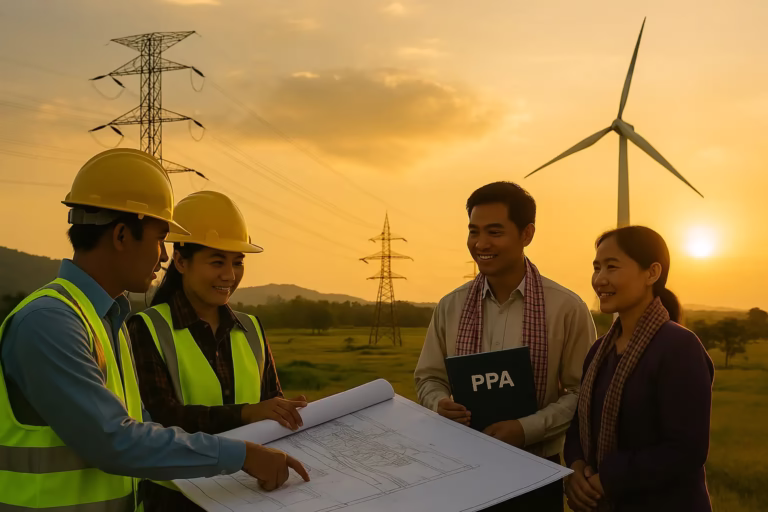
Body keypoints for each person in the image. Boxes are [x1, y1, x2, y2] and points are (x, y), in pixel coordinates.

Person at [0, 149, 308, 511]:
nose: (163, 257)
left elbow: (142, 429)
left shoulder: (106, 321)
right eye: (160, 238)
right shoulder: (50, 323)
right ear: (120, 235)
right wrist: (241, 456)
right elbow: (114, 440)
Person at [414, 181, 596, 511]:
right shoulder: (450, 306)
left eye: (495, 232)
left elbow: (581, 393)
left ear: (527, 234)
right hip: (461, 469)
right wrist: (439, 403)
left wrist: (525, 430)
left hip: (537, 473)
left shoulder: (566, 308)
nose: (481, 243)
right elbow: (428, 377)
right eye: (473, 231)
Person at [127, 190, 308, 511]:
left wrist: (286, 411)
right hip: (176, 500)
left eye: (238, 263)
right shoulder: (145, 328)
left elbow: (270, 406)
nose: (230, 275)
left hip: (249, 494)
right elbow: (161, 419)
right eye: (217, 262)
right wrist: (247, 412)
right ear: (181, 261)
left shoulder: (252, 329)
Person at [564, 226, 714, 512]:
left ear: (652, 273)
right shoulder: (599, 351)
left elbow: (686, 449)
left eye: (612, 267)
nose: (600, 279)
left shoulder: (679, 347)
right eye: (596, 268)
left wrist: (609, 478)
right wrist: (576, 468)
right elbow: (578, 424)